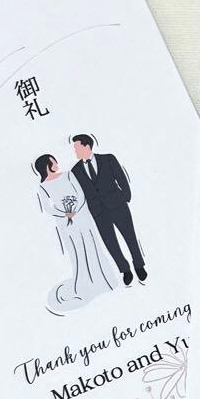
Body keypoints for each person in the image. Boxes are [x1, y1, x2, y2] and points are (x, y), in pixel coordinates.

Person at [33, 153, 115, 313]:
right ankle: (85, 285)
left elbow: (80, 194)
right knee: (76, 250)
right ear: (47, 165)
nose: (57, 164)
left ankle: (102, 280)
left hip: (82, 215)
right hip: (65, 222)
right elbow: (48, 207)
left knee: (91, 245)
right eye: (53, 162)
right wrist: (65, 213)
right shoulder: (43, 187)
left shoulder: (69, 175)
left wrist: (75, 210)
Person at [69, 133, 147, 287]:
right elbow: (80, 193)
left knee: (130, 236)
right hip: (98, 212)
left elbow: (121, 177)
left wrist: (125, 197)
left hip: (118, 205)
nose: (75, 151)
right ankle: (125, 269)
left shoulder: (108, 159)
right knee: (110, 243)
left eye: (77, 147)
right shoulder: (75, 170)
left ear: (86, 146)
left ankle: (139, 264)